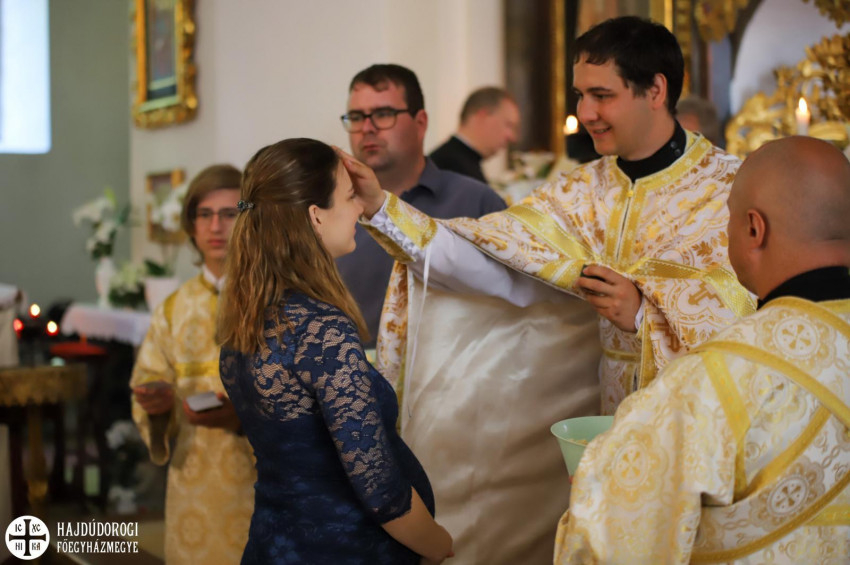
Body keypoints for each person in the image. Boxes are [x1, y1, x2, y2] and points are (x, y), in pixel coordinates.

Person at [341, 16, 755, 564]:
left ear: (655, 90)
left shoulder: (733, 187)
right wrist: (382, 210)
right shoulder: (580, 191)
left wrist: (645, 314)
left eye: (601, 95)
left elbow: (759, 309)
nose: (585, 113)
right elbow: (491, 257)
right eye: (580, 95)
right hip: (603, 422)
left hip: (699, 430)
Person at [555, 136, 850, 564]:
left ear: (754, 229)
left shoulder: (715, 382)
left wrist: (601, 477)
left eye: (728, 219)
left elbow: (607, 540)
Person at [216, 138, 453, 564]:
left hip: (274, 543)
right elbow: (379, 487)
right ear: (315, 216)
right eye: (348, 197)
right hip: (342, 551)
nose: (360, 208)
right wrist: (437, 544)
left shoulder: (248, 322)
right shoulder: (320, 330)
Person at [130, 165, 255, 565]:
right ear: (191, 224)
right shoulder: (172, 309)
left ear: (249, 219)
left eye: (229, 213)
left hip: (258, 484)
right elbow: (148, 377)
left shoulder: (273, 301)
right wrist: (156, 405)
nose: (216, 226)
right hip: (191, 480)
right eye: (205, 214)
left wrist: (243, 418)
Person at [336, 64, 506, 347]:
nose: (366, 128)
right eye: (356, 117)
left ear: (421, 122)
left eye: (383, 114)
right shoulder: (328, 209)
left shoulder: (476, 201)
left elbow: (507, 307)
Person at [429, 87, 520, 183]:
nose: (512, 137)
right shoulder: (453, 168)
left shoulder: (457, 162)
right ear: (483, 116)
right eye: (508, 125)